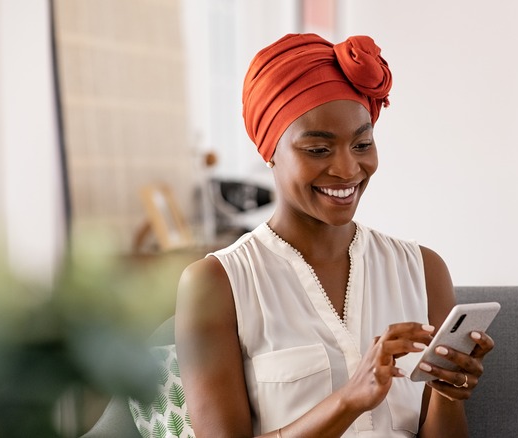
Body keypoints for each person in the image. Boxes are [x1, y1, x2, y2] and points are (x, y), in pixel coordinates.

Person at [175, 33, 494, 438]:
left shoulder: (423, 270)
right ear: (270, 151)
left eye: (362, 143)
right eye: (318, 150)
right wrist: (350, 399)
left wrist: (448, 393)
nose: (347, 169)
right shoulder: (216, 284)